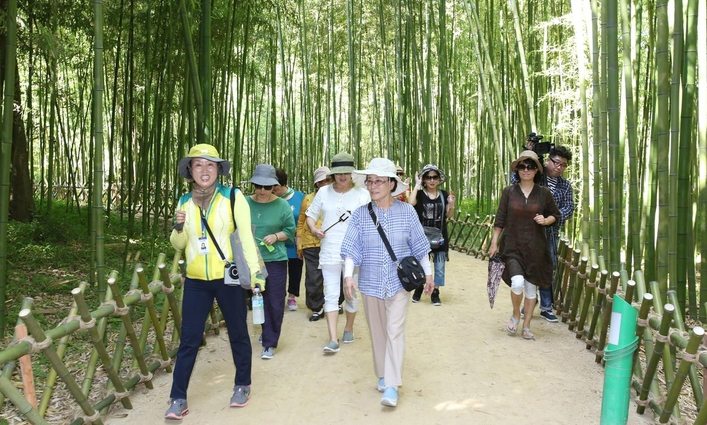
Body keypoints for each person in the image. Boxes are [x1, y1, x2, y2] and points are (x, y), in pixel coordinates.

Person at [166, 144, 264, 419]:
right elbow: (179, 244)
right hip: (197, 279)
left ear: (219, 170)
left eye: (211, 165)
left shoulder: (233, 197)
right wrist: (177, 226)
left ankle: (242, 384)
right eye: (199, 165)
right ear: (190, 170)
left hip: (228, 276)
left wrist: (255, 275)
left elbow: (245, 238)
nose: (205, 170)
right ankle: (177, 398)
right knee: (189, 338)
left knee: (237, 331)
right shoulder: (184, 202)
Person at [340, 157, 435, 407]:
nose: (373, 186)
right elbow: (351, 247)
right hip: (370, 282)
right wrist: (348, 274)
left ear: (392, 184)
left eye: (379, 181)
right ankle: (382, 374)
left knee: (395, 330)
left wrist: (429, 273)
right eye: (370, 181)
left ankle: (392, 385)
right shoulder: (361, 215)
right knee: (378, 331)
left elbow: (420, 246)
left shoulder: (407, 212)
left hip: (398, 284)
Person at [488, 150, 560, 340]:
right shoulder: (509, 192)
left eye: (530, 166)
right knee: (517, 282)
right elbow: (500, 219)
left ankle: (527, 325)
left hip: (536, 248)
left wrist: (546, 220)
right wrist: (494, 242)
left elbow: (556, 215)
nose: (526, 170)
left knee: (530, 289)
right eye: (522, 166)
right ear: (517, 169)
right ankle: (515, 314)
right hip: (512, 246)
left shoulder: (544, 193)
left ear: (537, 170)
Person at [305, 152, 370, 353]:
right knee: (331, 294)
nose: (342, 176)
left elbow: (370, 221)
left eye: (346, 172)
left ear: (352, 174)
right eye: (338, 172)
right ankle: (333, 339)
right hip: (330, 250)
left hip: (355, 252)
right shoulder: (323, 193)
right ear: (332, 174)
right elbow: (310, 216)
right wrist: (314, 229)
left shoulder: (362, 193)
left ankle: (348, 327)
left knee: (351, 293)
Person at [510, 145, 574, 322]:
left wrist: (552, 217)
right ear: (547, 161)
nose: (559, 167)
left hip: (550, 232)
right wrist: (528, 152)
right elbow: (515, 181)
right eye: (556, 163)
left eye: (563, 165)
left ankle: (546, 307)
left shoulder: (565, 186)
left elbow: (569, 207)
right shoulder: (536, 175)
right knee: (526, 265)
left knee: (548, 266)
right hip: (526, 232)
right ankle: (530, 302)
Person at [246, 164, 296, 360]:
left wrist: (276, 236)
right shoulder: (244, 203)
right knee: (256, 300)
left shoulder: (282, 205)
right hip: (251, 260)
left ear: (275, 186)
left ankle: (270, 342)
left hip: (275, 259)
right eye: (259, 186)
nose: (262, 191)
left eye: (267, 187)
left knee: (274, 301)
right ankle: (265, 330)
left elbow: (290, 231)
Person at [408, 164, 456, 305]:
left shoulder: (444, 194)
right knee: (422, 264)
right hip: (422, 236)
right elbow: (411, 203)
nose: (432, 180)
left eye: (435, 177)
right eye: (428, 177)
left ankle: (435, 292)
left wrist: (451, 205)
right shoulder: (421, 194)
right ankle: (419, 286)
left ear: (439, 179)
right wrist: (416, 186)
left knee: (439, 266)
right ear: (424, 179)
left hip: (440, 235)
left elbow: (448, 215)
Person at [296, 167, 332, 321]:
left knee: (335, 274)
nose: (324, 183)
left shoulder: (339, 197)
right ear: (316, 184)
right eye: (320, 181)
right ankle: (316, 307)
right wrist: (299, 242)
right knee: (313, 277)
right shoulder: (308, 199)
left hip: (332, 242)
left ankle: (335, 302)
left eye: (327, 180)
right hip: (310, 242)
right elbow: (301, 221)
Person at [273, 168, 305, 312]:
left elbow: (305, 219)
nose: (273, 191)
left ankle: (292, 296)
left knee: (295, 269)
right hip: (274, 242)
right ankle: (277, 297)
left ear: (283, 184)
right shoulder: (269, 198)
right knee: (276, 272)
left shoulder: (299, 197)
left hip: (295, 241)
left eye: (276, 188)